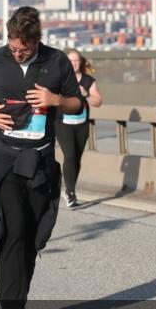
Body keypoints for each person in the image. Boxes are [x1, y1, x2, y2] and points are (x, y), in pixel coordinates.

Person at [0, 6, 82, 309]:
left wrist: (54, 98)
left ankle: (19, 307)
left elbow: (77, 104)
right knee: (14, 231)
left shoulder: (56, 61)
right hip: (4, 160)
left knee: (31, 234)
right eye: (13, 46)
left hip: (40, 161)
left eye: (23, 49)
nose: (17, 53)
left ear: (36, 41)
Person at [55, 48, 103, 207]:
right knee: (69, 156)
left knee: (76, 159)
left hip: (81, 125)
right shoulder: (60, 80)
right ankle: (70, 192)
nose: (74, 64)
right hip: (63, 123)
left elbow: (98, 101)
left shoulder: (88, 81)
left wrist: (86, 95)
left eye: (76, 60)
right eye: (70, 61)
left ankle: (70, 189)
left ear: (80, 62)